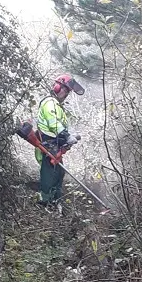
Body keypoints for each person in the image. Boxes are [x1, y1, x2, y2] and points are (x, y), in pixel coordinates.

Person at [35, 74, 84, 208]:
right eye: (64, 89)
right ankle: (44, 202)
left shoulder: (57, 106)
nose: (66, 93)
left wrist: (70, 136)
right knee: (50, 173)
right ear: (57, 87)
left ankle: (55, 201)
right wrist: (66, 135)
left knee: (59, 173)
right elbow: (54, 123)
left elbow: (61, 125)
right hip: (47, 144)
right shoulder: (49, 103)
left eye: (68, 91)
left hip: (54, 145)